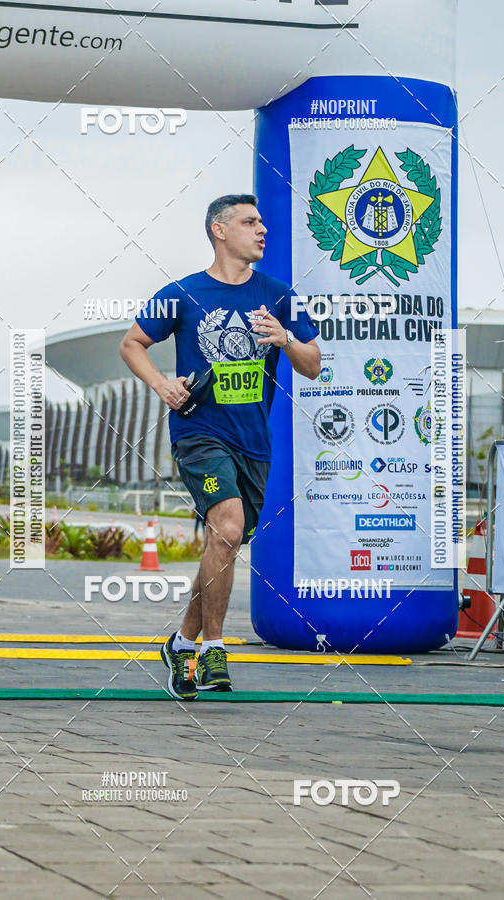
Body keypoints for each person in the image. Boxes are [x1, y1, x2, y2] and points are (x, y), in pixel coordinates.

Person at [120, 194, 320, 700]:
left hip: (254, 443)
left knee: (224, 545)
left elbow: (314, 363)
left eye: (262, 221)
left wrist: (285, 341)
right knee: (227, 527)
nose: (262, 230)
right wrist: (163, 386)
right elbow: (131, 344)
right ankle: (214, 648)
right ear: (219, 230)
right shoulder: (184, 294)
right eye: (250, 222)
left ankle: (181, 644)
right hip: (200, 434)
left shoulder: (279, 296)